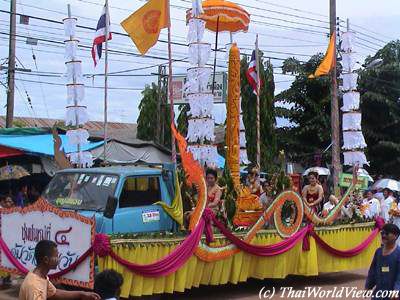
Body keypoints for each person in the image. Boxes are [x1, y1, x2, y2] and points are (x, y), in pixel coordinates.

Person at [19, 240, 100, 300]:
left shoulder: (40, 276)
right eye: (56, 256)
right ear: (46, 260)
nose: (58, 259)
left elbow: (54, 293)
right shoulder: (35, 287)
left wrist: (82, 294)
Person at [365, 223, 400, 300]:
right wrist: (368, 286)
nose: (383, 236)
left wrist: (396, 290)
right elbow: (372, 271)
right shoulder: (378, 252)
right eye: (382, 233)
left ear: (396, 236)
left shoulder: (398, 253)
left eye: (387, 233)